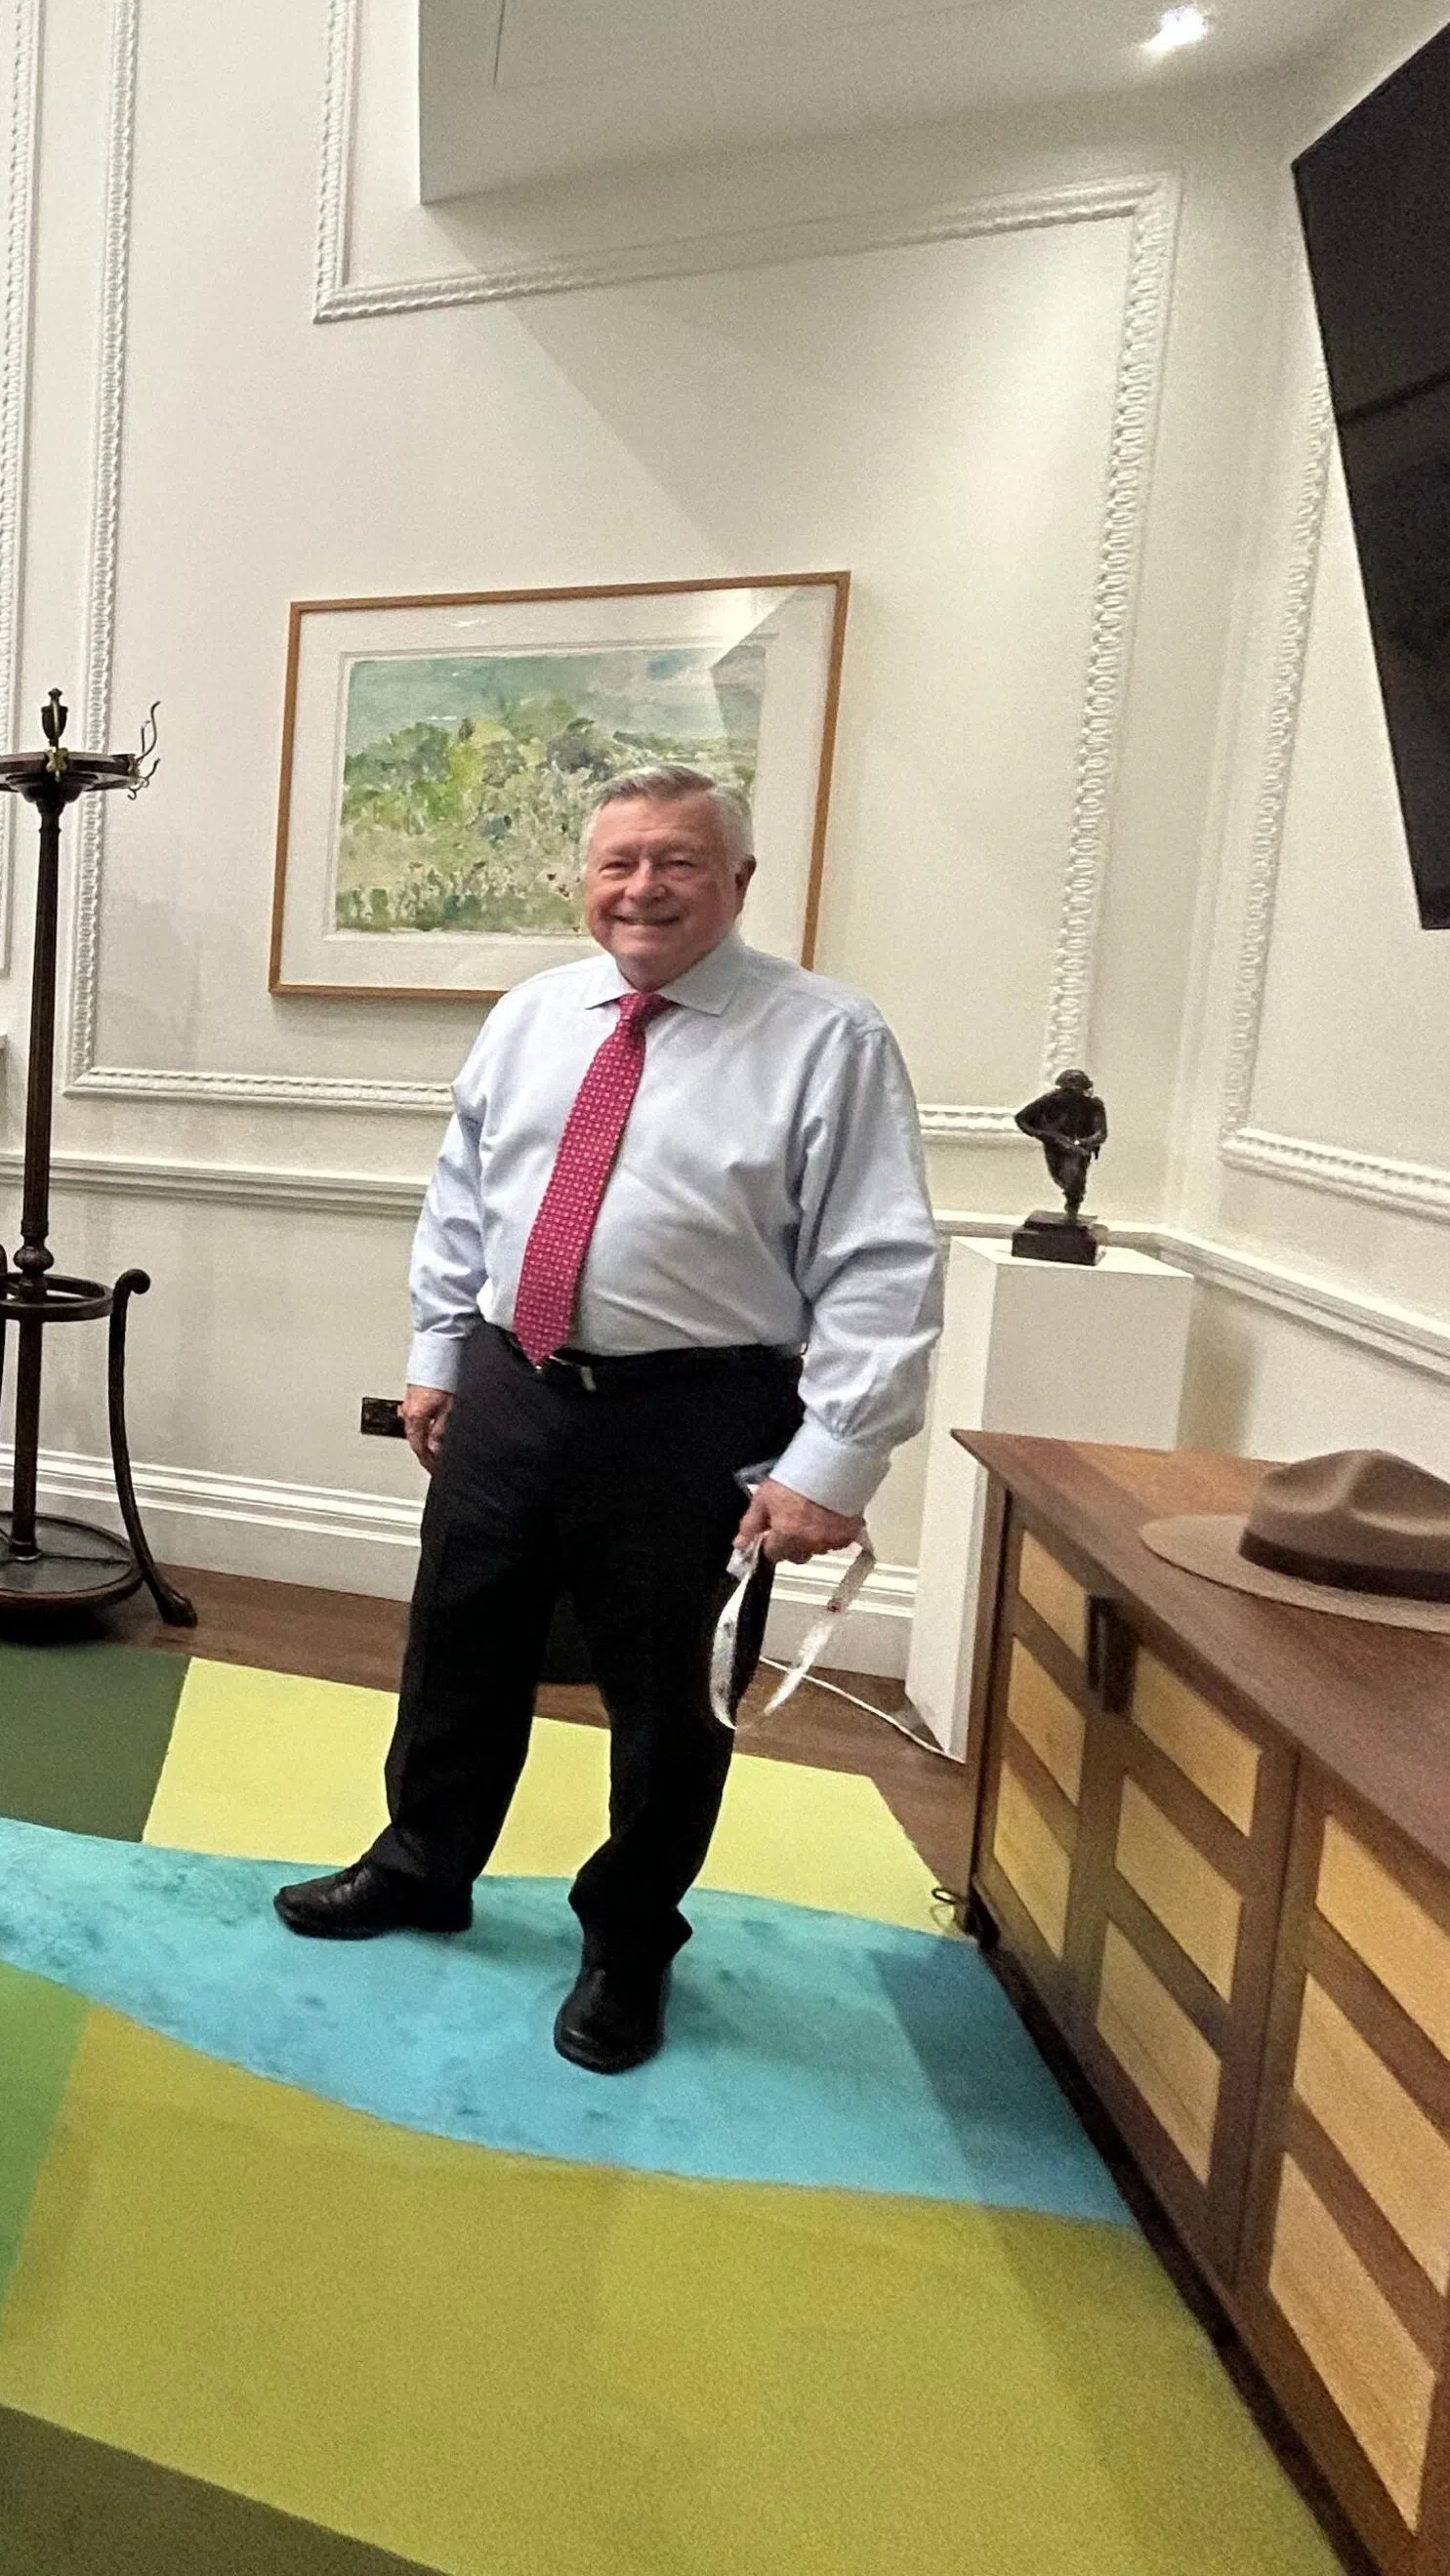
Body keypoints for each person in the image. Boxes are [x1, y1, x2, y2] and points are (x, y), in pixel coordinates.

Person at [272, 764, 940, 2074]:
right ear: (585, 883)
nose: (645, 889)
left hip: (699, 1412)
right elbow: (465, 1196)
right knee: (458, 1644)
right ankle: (422, 1862)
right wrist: (438, 1357)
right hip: (513, 1385)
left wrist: (833, 1460)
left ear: (738, 883)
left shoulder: (828, 1038)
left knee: (669, 1700)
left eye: (679, 862)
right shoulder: (531, 1016)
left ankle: (630, 1939)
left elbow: (883, 1261)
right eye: (620, 863)